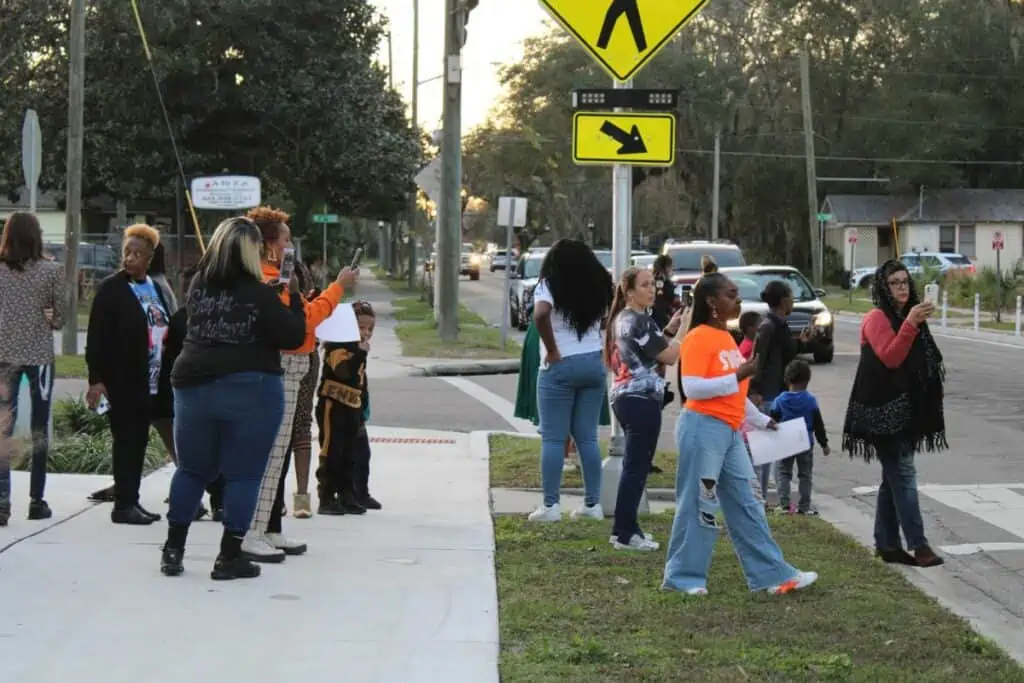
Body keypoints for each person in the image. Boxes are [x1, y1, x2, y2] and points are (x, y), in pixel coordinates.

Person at [160, 216, 307, 580]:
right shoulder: (261, 292)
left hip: (192, 383)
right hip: (251, 387)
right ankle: (228, 557)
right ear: (252, 251)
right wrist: (295, 299)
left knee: (193, 469)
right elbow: (291, 336)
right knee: (244, 474)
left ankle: (173, 550)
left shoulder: (198, 286)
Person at [662, 272, 817, 596]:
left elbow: (734, 393)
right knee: (698, 503)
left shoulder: (726, 339)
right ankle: (683, 579)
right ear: (711, 302)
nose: (738, 300)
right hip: (702, 429)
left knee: (748, 503)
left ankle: (771, 575)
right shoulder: (698, 337)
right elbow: (692, 388)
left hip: (731, 432)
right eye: (731, 295)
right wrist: (738, 374)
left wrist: (760, 420)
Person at [242, 205, 356, 562]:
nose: (292, 245)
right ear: (270, 243)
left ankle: (269, 526)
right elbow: (306, 319)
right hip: (282, 364)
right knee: (271, 453)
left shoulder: (278, 276)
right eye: (287, 238)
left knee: (280, 452)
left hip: (294, 364)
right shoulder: (266, 279)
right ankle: (251, 531)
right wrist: (338, 288)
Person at [842, 260, 946, 568]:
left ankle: (886, 544)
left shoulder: (907, 314)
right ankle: (919, 544)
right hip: (880, 411)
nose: (902, 287)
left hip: (904, 409)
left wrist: (915, 322)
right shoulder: (877, 317)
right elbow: (890, 357)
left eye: (905, 281)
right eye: (894, 283)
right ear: (883, 288)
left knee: (894, 477)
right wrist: (911, 324)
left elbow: (924, 359)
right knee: (902, 473)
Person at [85, 224, 173, 525]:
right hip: (122, 379)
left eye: (138, 254)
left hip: (151, 380)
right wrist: (96, 379)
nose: (130, 259)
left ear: (149, 259)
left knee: (138, 442)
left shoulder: (156, 288)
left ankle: (132, 499)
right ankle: (123, 505)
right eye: (127, 253)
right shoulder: (112, 288)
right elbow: (96, 336)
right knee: (126, 441)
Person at [527, 239, 614, 523]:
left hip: (561, 365)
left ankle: (551, 506)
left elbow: (541, 314)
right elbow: (605, 321)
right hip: (592, 361)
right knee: (587, 437)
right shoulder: (600, 284)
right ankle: (592, 505)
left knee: (553, 438)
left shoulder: (549, 284)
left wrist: (551, 349)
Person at [604, 267, 684, 551]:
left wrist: (670, 330)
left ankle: (625, 529)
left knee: (634, 466)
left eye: (654, 284)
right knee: (636, 468)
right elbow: (670, 356)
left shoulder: (624, 319)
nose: (652, 290)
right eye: (645, 285)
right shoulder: (637, 320)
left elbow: (649, 350)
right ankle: (626, 533)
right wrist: (686, 331)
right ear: (628, 291)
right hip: (639, 400)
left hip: (626, 397)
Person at [0, 212, 65, 524]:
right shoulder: (51, 271)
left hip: (2, 356)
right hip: (39, 357)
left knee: (3, 429)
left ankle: (1, 501)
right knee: (40, 428)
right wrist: (46, 317)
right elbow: (61, 318)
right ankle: (36, 500)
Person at [512, 300, 612, 472]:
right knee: (570, 425)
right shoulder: (558, 280)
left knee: (563, 426)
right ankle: (570, 459)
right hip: (557, 337)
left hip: (569, 338)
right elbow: (542, 312)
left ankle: (569, 461)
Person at [750, 280, 815, 501]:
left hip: (779, 394)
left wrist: (802, 342)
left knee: (775, 452)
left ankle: (766, 498)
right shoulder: (768, 327)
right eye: (790, 296)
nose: (793, 301)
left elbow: (786, 356)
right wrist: (755, 390)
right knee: (764, 454)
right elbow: (758, 360)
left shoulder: (780, 325)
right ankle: (758, 499)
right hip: (768, 395)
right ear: (782, 300)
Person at [315, 300, 378, 514]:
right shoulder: (338, 347)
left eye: (370, 329)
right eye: (361, 327)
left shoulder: (358, 349)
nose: (366, 333)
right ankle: (326, 496)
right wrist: (360, 353)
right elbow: (344, 372)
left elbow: (360, 382)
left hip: (353, 407)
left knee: (350, 454)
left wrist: (362, 410)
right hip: (333, 407)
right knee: (332, 452)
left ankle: (347, 494)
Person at [768, 360, 829, 515]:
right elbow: (818, 424)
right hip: (805, 442)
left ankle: (784, 505)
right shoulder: (810, 401)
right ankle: (804, 507)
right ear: (807, 381)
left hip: (785, 441)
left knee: (783, 473)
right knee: (805, 475)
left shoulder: (780, 400)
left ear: (787, 379)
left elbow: (772, 420)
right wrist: (824, 444)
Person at [289, 257, 321, 519]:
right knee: (278, 430)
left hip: (307, 356)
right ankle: (276, 498)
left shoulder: (298, 269)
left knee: (301, 424)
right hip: (280, 357)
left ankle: (302, 496)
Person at [649, 254, 676, 330]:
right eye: (670, 266)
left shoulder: (657, 279)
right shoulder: (659, 281)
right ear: (666, 267)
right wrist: (666, 320)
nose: (672, 268)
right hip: (660, 320)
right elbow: (659, 302)